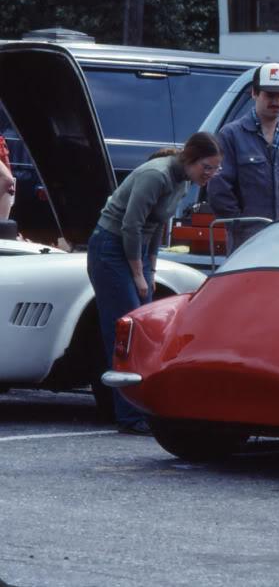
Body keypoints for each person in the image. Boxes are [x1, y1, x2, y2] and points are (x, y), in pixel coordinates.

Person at [87, 132, 222, 435]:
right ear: (191, 159)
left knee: (144, 330)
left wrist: (151, 267)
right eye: (207, 167)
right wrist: (138, 273)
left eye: (215, 169)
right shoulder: (156, 175)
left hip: (137, 250)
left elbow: (158, 222)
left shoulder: (183, 180)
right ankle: (128, 415)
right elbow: (131, 225)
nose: (210, 175)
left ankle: (136, 407)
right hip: (111, 247)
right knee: (126, 330)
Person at [207, 62, 279, 248]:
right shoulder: (231, 135)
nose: (277, 101)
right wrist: (239, 225)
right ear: (254, 93)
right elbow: (219, 189)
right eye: (270, 95)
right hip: (246, 242)